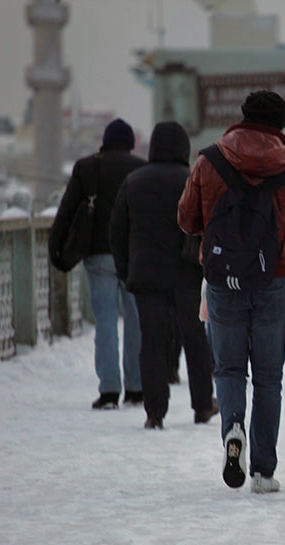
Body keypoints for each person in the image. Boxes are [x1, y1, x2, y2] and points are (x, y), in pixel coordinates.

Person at [178, 91, 285, 493]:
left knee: (230, 368)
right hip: (273, 277)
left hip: (223, 278)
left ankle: (233, 428)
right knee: (269, 377)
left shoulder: (210, 159)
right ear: (281, 126)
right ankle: (264, 471)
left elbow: (186, 219)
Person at [109, 121, 217, 430]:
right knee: (194, 337)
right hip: (186, 273)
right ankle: (202, 404)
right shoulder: (193, 180)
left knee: (152, 340)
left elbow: (116, 231)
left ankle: (155, 411)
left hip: (146, 275)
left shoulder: (134, 181)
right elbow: (209, 225)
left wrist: (126, 269)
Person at [50, 118, 146, 410]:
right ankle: (136, 388)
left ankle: (108, 391)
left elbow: (66, 211)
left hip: (98, 254)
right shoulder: (140, 168)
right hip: (132, 256)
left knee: (105, 321)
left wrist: (56, 250)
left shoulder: (86, 167)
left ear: (105, 141)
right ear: (129, 143)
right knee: (135, 320)